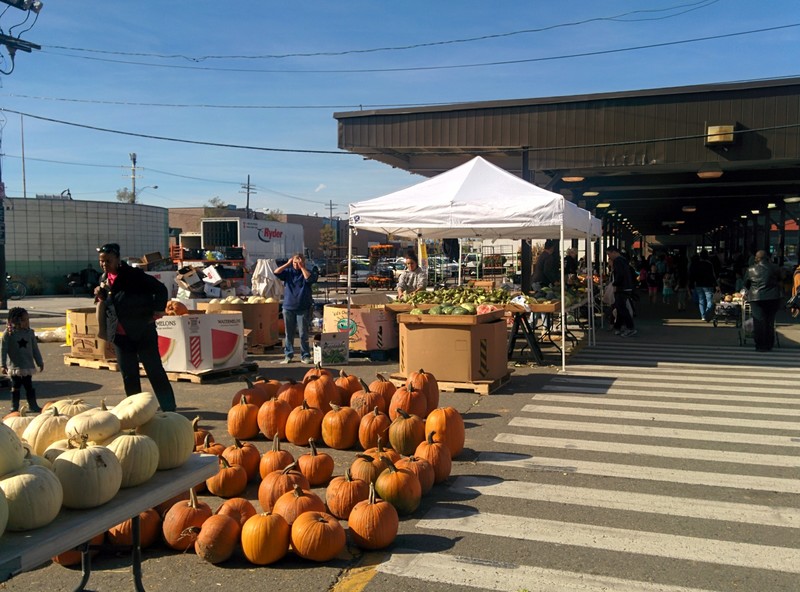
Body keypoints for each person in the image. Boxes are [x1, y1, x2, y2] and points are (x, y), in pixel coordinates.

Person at [94, 243, 177, 412]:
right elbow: (109, 302)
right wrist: (101, 295)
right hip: (120, 336)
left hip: (142, 331)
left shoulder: (134, 275)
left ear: (117, 259)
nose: (104, 264)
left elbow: (160, 289)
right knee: (129, 375)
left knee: (154, 370)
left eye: (108, 261)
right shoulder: (103, 279)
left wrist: (157, 310)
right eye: (101, 261)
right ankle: (136, 410)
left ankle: (169, 407)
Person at [274, 253, 318, 364]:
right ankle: (288, 355)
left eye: (298, 263)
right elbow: (276, 272)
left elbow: (309, 279)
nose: (296, 265)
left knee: (303, 333)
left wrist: (302, 267)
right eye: (294, 263)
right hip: (288, 307)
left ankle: (305, 355)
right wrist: (287, 264)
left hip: (303, 307)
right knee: (289, 333)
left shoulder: (309, 272)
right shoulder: (288, 272)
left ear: (303, 262)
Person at [1, 307, 44, 413]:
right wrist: (3, 365)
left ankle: (33, 405)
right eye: (24, 320)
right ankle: (14, 407)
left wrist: (39, 362)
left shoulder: (30, 333)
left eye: (28, 319)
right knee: (15, 387)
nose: (27, 322)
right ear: (16, 321)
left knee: (29, 386)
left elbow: (35, 349)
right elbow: (3, 350)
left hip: (27, 366)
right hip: (15, 367)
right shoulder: (9, 334)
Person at [744, 250, 781, 352]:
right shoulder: (774, 267)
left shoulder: (750, 269)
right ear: (767, 258)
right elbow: (782, 278)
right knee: (770, 320)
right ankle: (769, 343)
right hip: (772, 297)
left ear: (757, 258)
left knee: (758, 321)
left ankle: (760, 345)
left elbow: (746, 283)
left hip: (756, 298)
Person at [607, 245, 637, 337]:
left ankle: (630, 327)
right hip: (627, 287)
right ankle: (618, 327)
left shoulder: (617, 261)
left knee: (622, 309)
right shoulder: (624, 260)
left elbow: (619, 275)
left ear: (613, 252)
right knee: (620, 309)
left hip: (621, 288)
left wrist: (615, 284)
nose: (609, 257)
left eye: (609, 254)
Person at [689, 249, 717, 321]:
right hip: (708, 285)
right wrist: (716, 284)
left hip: (699, 284)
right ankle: (707, 313)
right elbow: (712, 275)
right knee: (709, 300)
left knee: (701, 300)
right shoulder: (709, 264)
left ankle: (703, 316)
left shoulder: (696, 264)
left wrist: (691, 285)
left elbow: (692, 275)